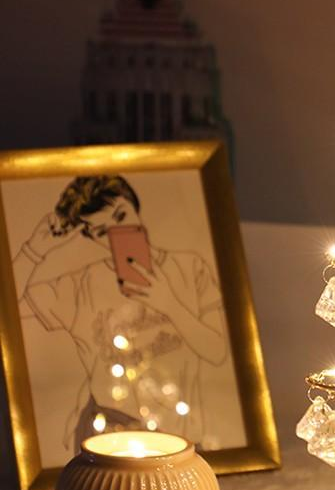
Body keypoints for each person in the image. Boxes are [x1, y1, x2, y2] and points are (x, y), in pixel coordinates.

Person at [12, 175, 227, 453]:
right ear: (91, 237)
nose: (117, 232)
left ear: (136, 208)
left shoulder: (189, 267)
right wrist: (34, 250)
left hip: (181, 438)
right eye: (103, 231)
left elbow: (217, 350)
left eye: (122, 215)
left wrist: (170, 305)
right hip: (107, 442)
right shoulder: (81, 286)